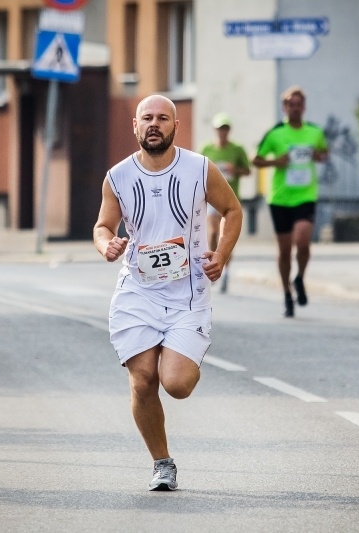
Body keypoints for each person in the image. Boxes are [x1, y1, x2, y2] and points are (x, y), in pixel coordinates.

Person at [93, 94, 243, 491]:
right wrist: (106, 244)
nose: (155, 124)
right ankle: (162, 463)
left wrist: (221, 256)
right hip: (137, 293)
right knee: (143, 380)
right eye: (147, 118)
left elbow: (232, 210)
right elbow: (103, 225)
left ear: (176, 125)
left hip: (188, 294)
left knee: (175, 384)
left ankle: (186, 352)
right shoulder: (118, 176)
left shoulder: (199, 168)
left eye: (163, 118)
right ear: (135, 125)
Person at [252, 86, 328, 318]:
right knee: (285, 251)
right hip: (280, 198)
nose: (295, 108)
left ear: (303, 108)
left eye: (298, 105)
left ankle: (300, 278)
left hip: (306, 195)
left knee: (303, 241)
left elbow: (324, 153)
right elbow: (256, 160)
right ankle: (287, 293)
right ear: (284, 107)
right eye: (290, 105)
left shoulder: (314, 132)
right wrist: (276, 163)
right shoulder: (275, 133)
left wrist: (318, 156)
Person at [199, 112, 251, 293]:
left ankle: (226, 271)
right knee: (213, 234)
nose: (223, 132)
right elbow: (197, 172)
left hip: (231, 201)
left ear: (229, 131)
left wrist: (234, 170)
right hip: (212, 200)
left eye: (226, 129)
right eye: (220, 129)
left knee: (227, 237)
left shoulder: (237, 150)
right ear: (215, 130)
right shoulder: (206, 149)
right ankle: (215, 263)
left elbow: (247, 171)